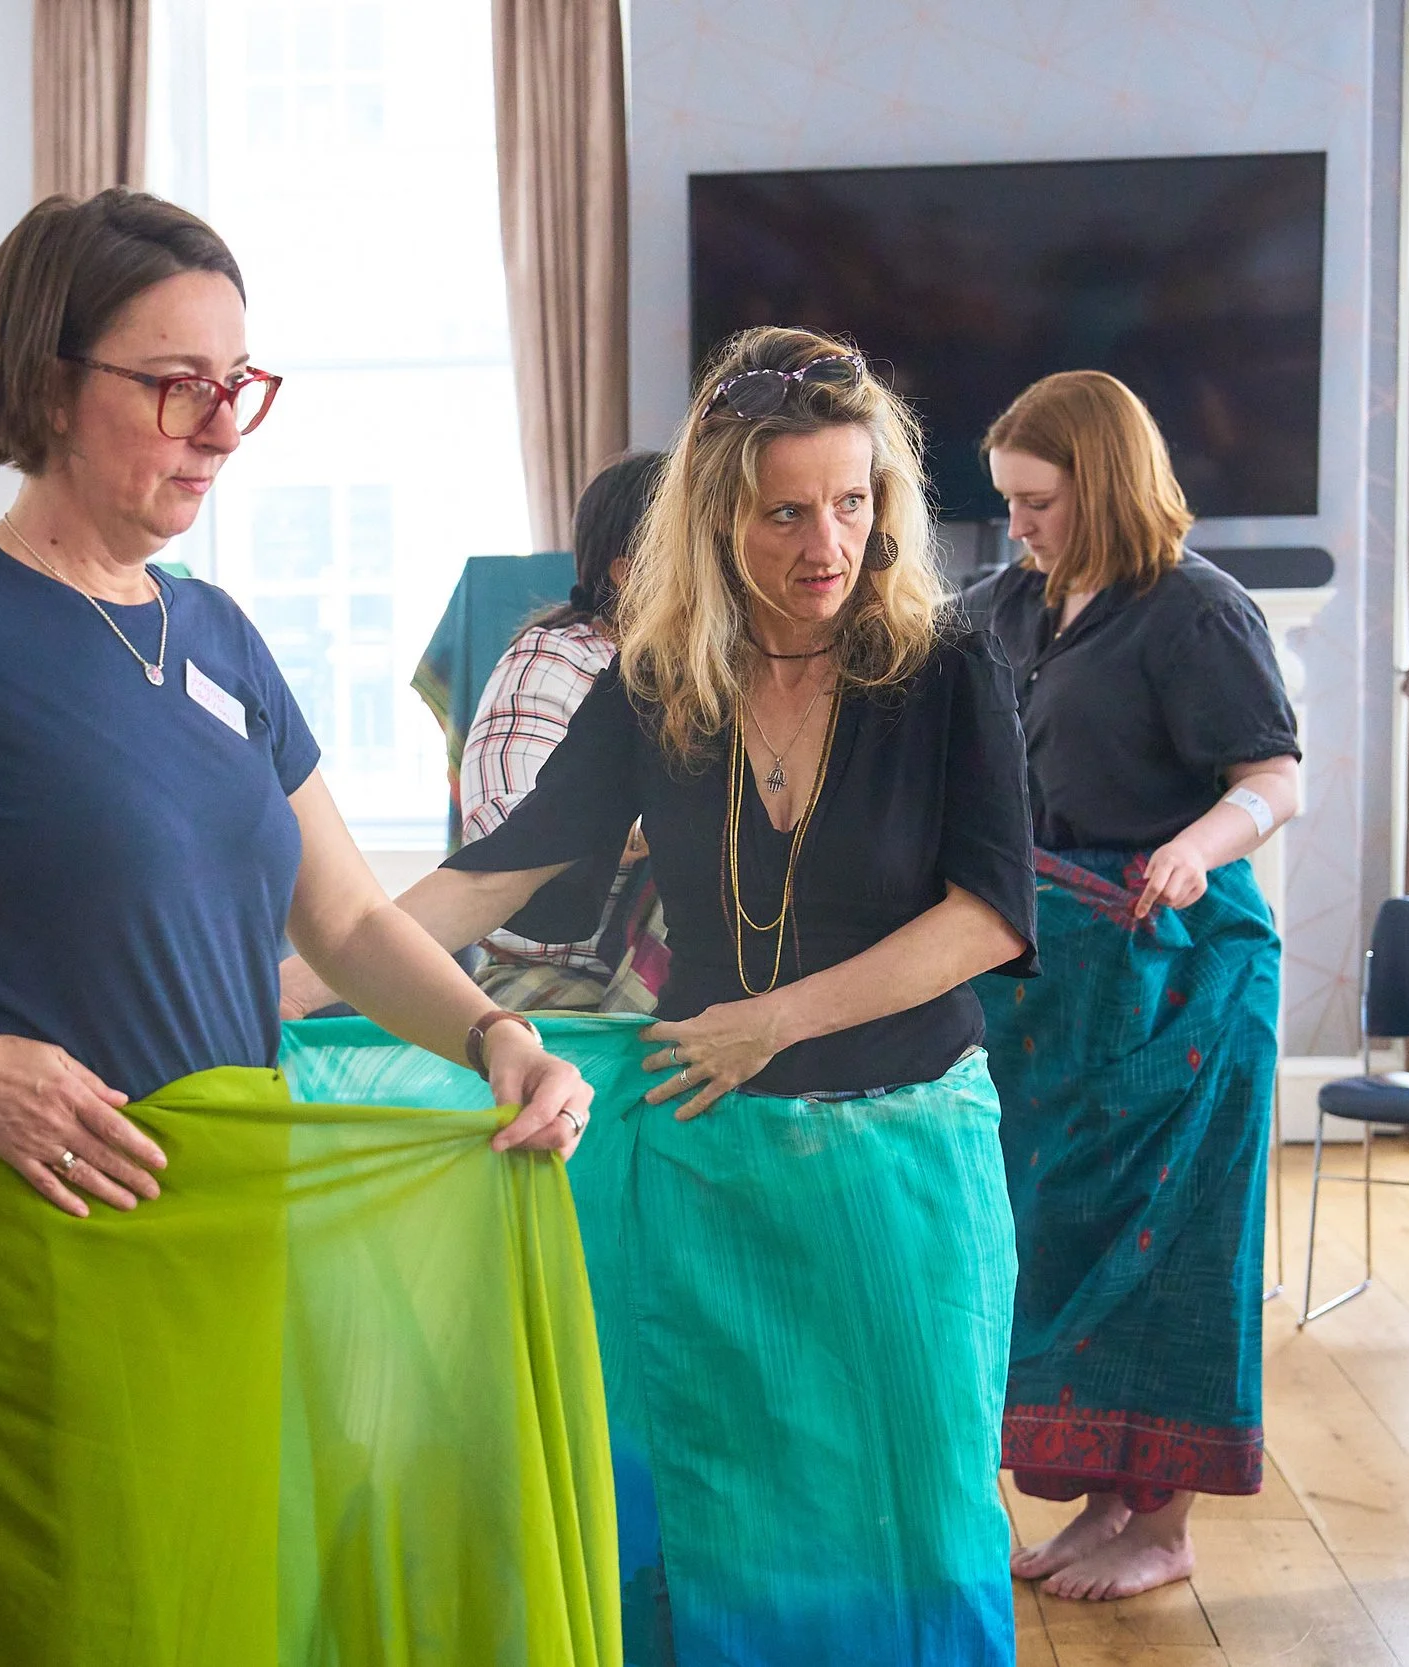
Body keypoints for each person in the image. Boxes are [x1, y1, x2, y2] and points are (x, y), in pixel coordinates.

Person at [0, 189, 614, 1663]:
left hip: (236, 1224)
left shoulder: (214, 629)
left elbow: (340, 914)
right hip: (52, 1230)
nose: (220, 425)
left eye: (239, 387)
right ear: (47, 386)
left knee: (231, 1609)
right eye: (176, 385)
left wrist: (495, 1033)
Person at [321, 326, 1041, 1663]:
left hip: (904, 1166)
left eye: (853, 498)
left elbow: (990, 917)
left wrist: (780, 1014)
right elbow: (496, 873)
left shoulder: (948, 666)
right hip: (703, 1161)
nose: (827, 541)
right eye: (786, 511)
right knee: (715, 1512)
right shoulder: (656, 686)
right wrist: (302, 979)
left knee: (917, 1515)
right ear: (720, 517)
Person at [964, 370, 1300, 1602]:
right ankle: (1106, 1503)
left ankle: (1160, 1524)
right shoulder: (1007, 605)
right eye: (1007, 501)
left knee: (1168, 1245)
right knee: (1064, 1236)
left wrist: (1194, 847)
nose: (1018, 526)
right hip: (1055, 979)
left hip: (1181, 974)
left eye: (1037, 500)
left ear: (1097, 482)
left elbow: (1272, 778)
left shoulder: (1197, 612)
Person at [285, 451, 670, 1019]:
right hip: (558, 971)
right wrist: (656, 831)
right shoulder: (563, 665)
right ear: (630, 572)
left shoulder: (711, 675)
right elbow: (504, 852)